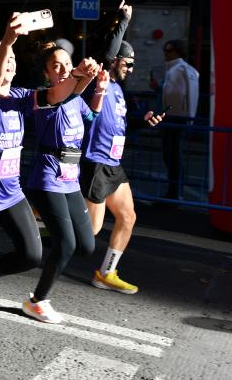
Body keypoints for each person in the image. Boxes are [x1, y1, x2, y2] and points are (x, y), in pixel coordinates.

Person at [0, 13, 98, 345]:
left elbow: (57, 97)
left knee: (32, 254)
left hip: (11, 191)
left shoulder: (21, 97)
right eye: (0, 60)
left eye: (11, 60)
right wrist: (8, 39)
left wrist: (82, 76)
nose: (7, 64)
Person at [22, 43, 108, 323]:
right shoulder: (47, 98)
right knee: (67, 245)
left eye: (65, 64)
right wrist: (80, 78)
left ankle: (39, 226)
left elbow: (92, 117)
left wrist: (101, 89)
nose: (61, 69)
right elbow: (66, 96)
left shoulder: (74, 98)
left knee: (86, 246)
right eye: (54, 66)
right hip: (47, 179)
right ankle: (37, 301)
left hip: (70, 180)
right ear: (47, 73)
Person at [81, 35, 165, 295]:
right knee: (91, 230)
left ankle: (106, 273)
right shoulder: (100, 79)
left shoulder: (119, 90)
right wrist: (124, 21)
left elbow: (123, 124)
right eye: (127, 63)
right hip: (95, 162)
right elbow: (105, 53)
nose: (131, 69)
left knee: (128, 217)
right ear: (115, 60)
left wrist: (144, 121)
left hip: (114, 165)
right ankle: (42, 224)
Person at [150, 39, 199, 199]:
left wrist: (160, 91)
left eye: (169, 50)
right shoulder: (187, 70)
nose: (166, 53)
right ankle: (175, 192)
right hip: (178, 118)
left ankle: (174, 193)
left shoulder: (178, 70)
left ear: (178, 52)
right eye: (165, 50)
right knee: (173, 156)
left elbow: (175, 97)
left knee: (171, 156)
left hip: (173, 119)